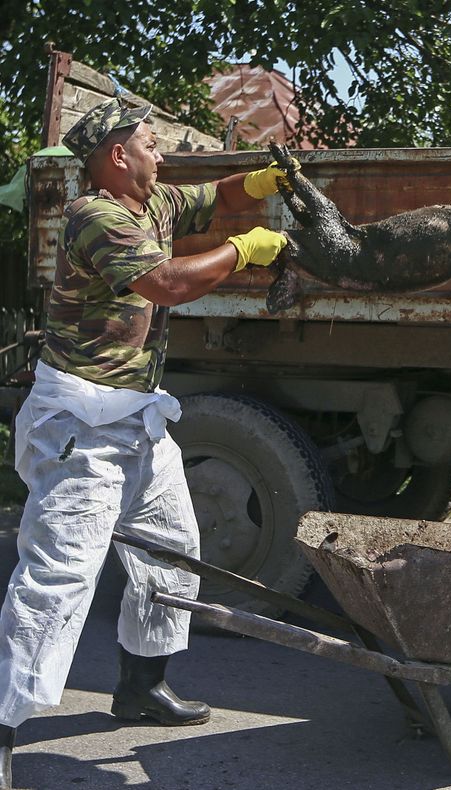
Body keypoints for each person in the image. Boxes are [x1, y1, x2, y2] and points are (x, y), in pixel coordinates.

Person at [0, 96, 290, 790]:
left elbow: (206, 197)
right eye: (151, 144)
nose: (161, 156)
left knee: (172, 550)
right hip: (83, 426)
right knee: (59, 578)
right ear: (116, 155)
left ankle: (142, 685)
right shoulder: (94, 215)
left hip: (137, 418)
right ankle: (4, 726)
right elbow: (165, 283)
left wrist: (255, 183)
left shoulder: (150, 199)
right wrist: (244, 251)